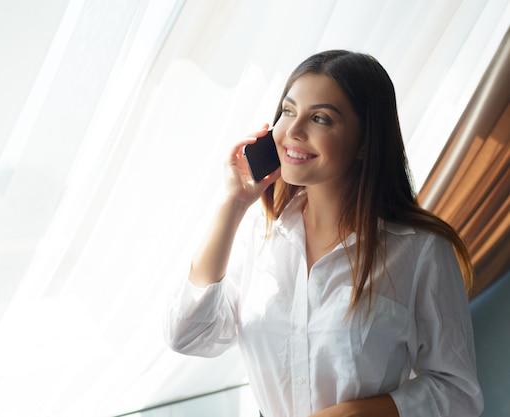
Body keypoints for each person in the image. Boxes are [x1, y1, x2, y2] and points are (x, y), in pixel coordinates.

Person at [164, 50, 483, 417]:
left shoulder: (421, 251)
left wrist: (351, 413)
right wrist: (233, 205)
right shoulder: (258, 234)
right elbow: (186, 336)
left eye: (320, 118)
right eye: (288, 111)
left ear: (365, 142)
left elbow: (458, 392)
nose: (293, 132)